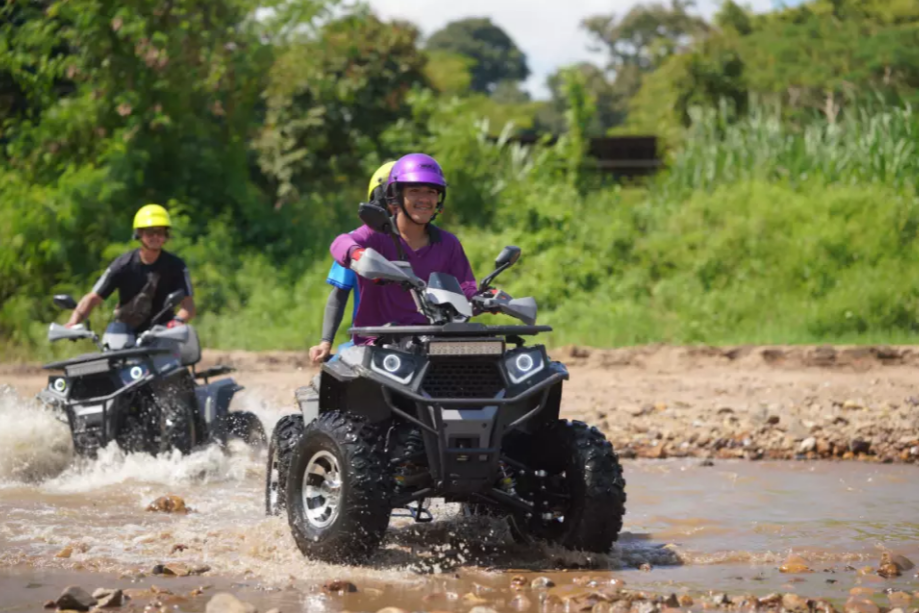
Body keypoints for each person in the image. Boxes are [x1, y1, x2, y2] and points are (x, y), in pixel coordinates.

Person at [330, 153, 477, 346]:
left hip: (431, 344)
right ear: (396, 197)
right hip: (377, 345)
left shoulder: (448, 243)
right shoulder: (376, 235)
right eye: (415, 191)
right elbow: (340, 243)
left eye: (432, 192)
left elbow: (466, 289)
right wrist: (357, 254)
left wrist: (488, 298)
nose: (424, 199)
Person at [309, 161, 397, 364]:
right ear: (380, 198)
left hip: (419, 338)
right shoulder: (357, 243)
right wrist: (325, 342)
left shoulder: (432, 245)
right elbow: (339, 295)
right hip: (369, 341)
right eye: (394, 195)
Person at [65, 204, 196, 332]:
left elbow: (188, 306)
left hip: (163, 332)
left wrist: (178, 321)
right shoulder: (123, 265)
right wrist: (73, 322)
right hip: (124, 332)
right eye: (150, 232)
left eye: (160, 232)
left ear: (166, 235)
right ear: (139, 234)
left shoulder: (176, 265)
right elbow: (93, 297)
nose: (155, 237)